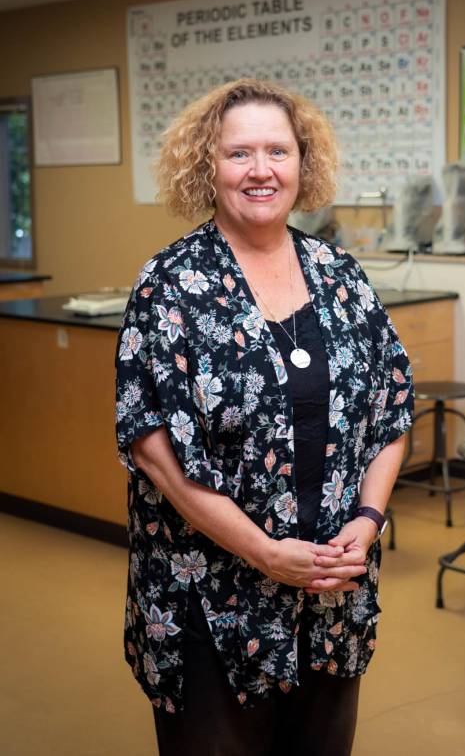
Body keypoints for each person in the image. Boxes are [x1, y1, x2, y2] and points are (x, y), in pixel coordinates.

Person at [115, 78, 414, 756]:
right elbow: (154, 447)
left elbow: (393, 405)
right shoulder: (170, 284)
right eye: (238, 153)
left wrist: (368, 520)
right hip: (209, 599)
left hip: (330, 592)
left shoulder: (340, 274)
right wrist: (264, 553)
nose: (260, 170)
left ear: (302, 163)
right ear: (207, 166)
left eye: (277, 151)